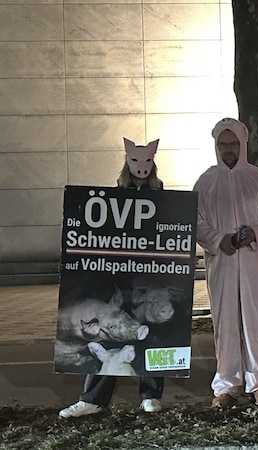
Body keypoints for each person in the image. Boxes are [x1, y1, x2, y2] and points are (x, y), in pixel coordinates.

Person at [59, 138, 166, 418]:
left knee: (152, 335)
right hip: (119, 280)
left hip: (149, 278)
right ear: (127, 163)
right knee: (105, 334)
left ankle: (150, 395)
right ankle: (93, 398)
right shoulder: (113, 197)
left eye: (147, 161)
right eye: (135, 161)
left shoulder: (163, 196)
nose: (141, 167)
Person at [194, 118, 258, 408]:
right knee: (225, 323)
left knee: (254, 321)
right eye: (223, 144)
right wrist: (218, 238)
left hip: (254, 262)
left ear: (242, 145)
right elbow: (195, 220)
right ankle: (226, 385)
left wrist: (254, 234)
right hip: (222, 263)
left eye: (233, 144)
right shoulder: (206, 181)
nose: (228, 149)